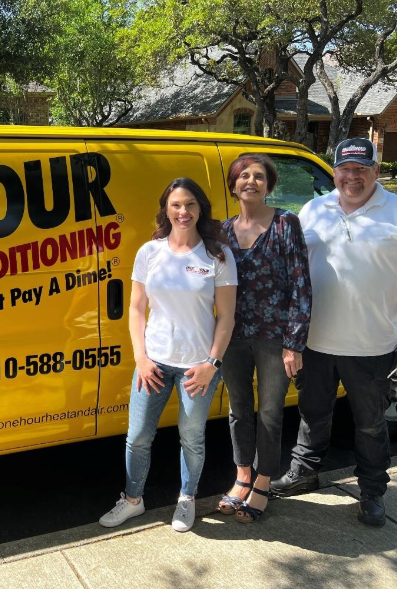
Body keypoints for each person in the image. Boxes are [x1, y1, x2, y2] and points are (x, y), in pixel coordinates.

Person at [270, 137, 397, 527]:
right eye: (345, 170)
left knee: (369, 423)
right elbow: (292, 274)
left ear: (376, 171)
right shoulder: (314, 210)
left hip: (371, 346)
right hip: (314, 341)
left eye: (361, 169)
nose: (352, 177)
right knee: (313, 413)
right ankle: (304, 471)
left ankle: (371, 493)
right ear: (334, 172)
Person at [99, 177, 237, 533]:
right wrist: (141, 358)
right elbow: (136, 309)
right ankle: (132, 501)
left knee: (191, 437)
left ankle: (187, 499)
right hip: (154, 363)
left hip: (198, 368)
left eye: (190, 204)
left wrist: (212, 364)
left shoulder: (217, 255)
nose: (183, 211)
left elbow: (227, 317)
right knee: (138, 436)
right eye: (176, 205)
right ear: (166, 210)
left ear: (200, 209)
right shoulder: (149, 252)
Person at [218, 154, 312, 523]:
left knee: (270, 412)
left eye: (259, 176)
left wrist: (295, 342)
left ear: (268, 185)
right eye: (244, 176)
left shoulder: (286, 223)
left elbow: (302, 286)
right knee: (238, 409)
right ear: (234, 184)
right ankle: (242, 476)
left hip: (276, 338)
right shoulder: (223, 231)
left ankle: (263, 481)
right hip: (233, 336)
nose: (251, 182)